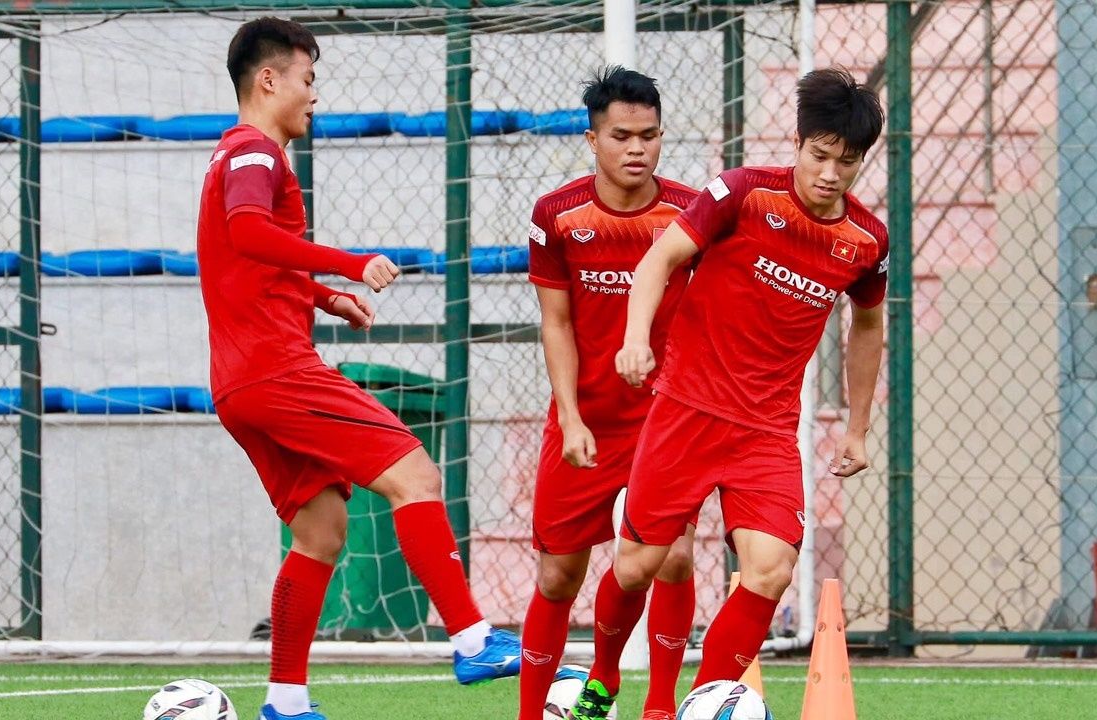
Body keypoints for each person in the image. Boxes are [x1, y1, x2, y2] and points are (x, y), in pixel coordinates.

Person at [196, 17, 520, 720]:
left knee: (320, 532)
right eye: (308, 81)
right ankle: (471, 637)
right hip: (277, 371)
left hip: (238, 380)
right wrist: (351, 264)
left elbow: (241, 257)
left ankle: (284, 700)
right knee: (416, 475)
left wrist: (323, 297)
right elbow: (249, 234)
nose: (316, 97)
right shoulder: (257, 154)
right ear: (269, 80)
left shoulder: (230, 156)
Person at [567, 67, 888, 720]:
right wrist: (635, 340)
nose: (830, 173)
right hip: (686, 409)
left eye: (846, 162)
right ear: (798, 144)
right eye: (820, 155)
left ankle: (703, 704)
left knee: (770, 571)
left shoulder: (865, 241)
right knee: (636, 567)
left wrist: (858, 426)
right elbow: (660, 259)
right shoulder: (743, 194)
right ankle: (601, 680)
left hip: (766, 430)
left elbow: (868, 323)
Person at [519, 66, 700, 720]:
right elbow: (557, 323)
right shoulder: (557, 215)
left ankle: (654, 704)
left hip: (665, 422)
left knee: (673, 556)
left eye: (649, 136)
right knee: (557, 577)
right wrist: (569, 417)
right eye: (621, 135)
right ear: (592, 139)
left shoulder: (690, 213)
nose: (636, 149)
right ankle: (530, 713)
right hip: (587, 418)